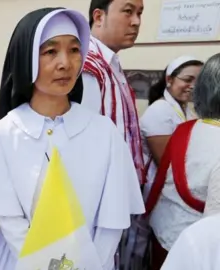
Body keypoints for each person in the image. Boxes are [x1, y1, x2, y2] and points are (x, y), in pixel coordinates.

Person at [0, 7, 144, 270]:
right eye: (50, 51)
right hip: (19, 261)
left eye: (74, 50)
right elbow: (10, 222)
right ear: (27, 59)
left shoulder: (105, 133)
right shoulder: (3, 134)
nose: (65, 63)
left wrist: (90, 265)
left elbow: (112, 221)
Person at [144, 53, 220, 269]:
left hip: (166, 232)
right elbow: (215, 231)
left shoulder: (189, 127)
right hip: (196, 249)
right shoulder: (161, 111)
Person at [82, 0, 145, 183]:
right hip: (100, 191)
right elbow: (81, 143)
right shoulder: (87, 66)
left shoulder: (110, 63)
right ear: (99, 17)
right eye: (128, 11)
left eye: (139, 13)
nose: (136, 22)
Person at [141, 56, 203, 193]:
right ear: (169, 80)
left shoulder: (187, 110)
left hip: (182, 183)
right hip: (163, 189)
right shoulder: (159, 111)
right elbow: (166, 164)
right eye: (188, 80)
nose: (193, 86)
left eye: (199, 81)